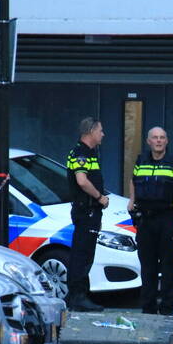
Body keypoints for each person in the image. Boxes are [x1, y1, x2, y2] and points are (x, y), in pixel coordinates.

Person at [128, 126, 173, 316]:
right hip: (145, 219)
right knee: (147, 266)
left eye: (162, 138)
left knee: (167, 266)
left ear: (166, 141)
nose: (158, 141)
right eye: (155, 138)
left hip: (167, 218)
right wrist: (131, 200)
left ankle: (166, 310)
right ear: (148, 141)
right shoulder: (142, 159)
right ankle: (148, 308)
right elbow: (133, 180)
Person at [66, 117, 108, 312]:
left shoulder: (89, 153)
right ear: (91, 131)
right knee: (82, 255)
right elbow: (82, 181)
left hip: (88, 211)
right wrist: (99, 197)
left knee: (84, 254)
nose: (102, 134)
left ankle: (79, 295)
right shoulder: (82, 153)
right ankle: (77, 297)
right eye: (100, 130)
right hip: (87, 210)